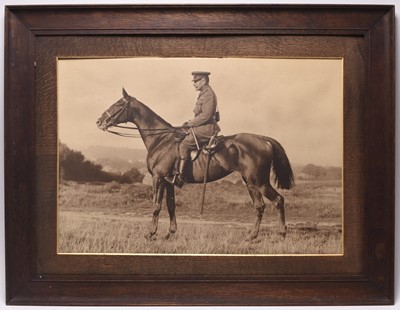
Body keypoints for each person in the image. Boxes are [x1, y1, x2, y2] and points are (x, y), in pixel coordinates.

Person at [165, 71, 221, 187]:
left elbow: (206, 116)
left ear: (204, 81)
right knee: (179, 135)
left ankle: (180, 177)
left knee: (185, 144)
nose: (194, 83)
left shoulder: (208, 94)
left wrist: (190, 124)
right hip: (202, 126)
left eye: (196, 81)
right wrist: (188, 123)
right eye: (194, 81)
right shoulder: (203, 93)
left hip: (208, 128)